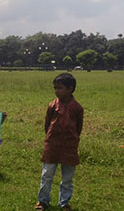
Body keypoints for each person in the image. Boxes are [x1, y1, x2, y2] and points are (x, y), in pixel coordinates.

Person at [35, 73, 83, 211]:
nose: (56, 91)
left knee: (67, 177)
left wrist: (73, 139)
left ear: (70, 89)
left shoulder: (77, 108)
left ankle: (64, 203)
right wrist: (50, 139)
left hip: (69, 145)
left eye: (60, 88)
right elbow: (47, 124)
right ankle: (42, 201)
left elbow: (78, 127)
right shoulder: (52, 105)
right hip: (52, 144)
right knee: (47, 174)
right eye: (55, 88)